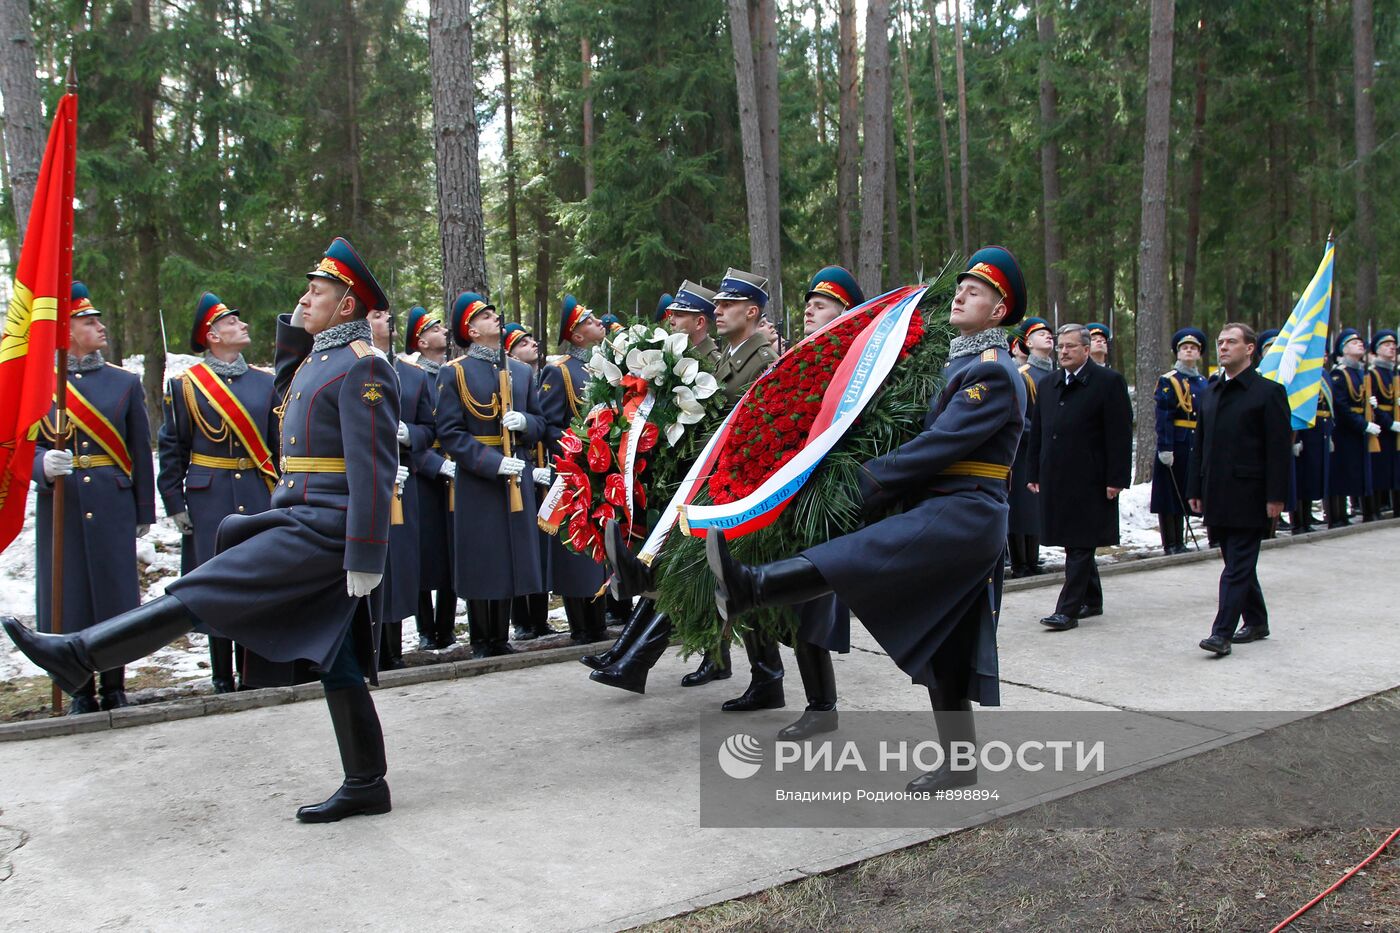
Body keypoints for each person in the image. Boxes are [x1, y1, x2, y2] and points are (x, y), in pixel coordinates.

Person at [7, 237, 400, 822]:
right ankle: (367, 782)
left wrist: (366, 552)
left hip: (325, 527)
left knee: (204, 588)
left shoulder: (364, 365)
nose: (304, 298)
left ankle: (80, 654)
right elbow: (283, 392)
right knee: (336, 658)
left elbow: (373, 464)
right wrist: (296, 330)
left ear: (346, 306)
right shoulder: (320, 359)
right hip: (298, 516)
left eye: (316, 293)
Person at [705, 246, 1028, 793]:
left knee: (859, 556)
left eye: (976, 291)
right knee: (946, 639)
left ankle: (752, 587)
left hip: (966, 510)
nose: (961, 294)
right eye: (963, 286)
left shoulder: (993, 374)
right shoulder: (957, 363)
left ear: (999, 313)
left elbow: (938, 445)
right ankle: (960, 761)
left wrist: (865, 484)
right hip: (942, 505)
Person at [585, 280, 726, 690]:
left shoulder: (710, 363)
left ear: (699, 322)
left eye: (680, 315)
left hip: (704, 480)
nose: (672, 319)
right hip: (680, 477)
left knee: (684, 571)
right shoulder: (673, 359)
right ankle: (627, 655)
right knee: (672, 568)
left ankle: (635, 660)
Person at [30, 282, 156, 713]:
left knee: (113, 595)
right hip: (60, 503)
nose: (100, 327)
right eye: (89, 321)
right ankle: (79, 690)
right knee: (69, 598)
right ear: (65, 329)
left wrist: (144, 509)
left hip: (111, 502)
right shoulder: (36, 384)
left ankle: (115, 683)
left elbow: (139, 448)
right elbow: (15, 443)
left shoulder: (123, 382)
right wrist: (41, 465)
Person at [158, 291, 291, 692]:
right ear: (212, 335)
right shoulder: (184, 386)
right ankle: (220, 673)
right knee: (216, 583)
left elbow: (277, 446)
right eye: (232, 322)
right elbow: (173, 449)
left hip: (256, 491)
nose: (243, 325)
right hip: (209, 496)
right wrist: (176, 503)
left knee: (257, 581)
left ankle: (256, 668)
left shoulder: (265, 383)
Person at [435, 292, 547, 658]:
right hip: (479, 475)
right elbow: (450, 432)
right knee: (483, 557)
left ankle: (501, 636)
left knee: (509, 555)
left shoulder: (518, 371)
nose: (494, 318)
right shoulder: (455, 372)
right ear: (470, 329)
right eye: (484, 316)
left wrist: (526, 423)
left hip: (516, 470)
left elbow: (542, 421)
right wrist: (490, 462)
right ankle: (481, 638)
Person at [706, 268, 784, 710]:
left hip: (749, 486)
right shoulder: (728, 356)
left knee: (748, 580)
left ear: (751, 312)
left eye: (726, 305)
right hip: (724, 481)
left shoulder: (764, 358)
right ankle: (762, 675)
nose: (717, 311)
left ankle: (768, 678)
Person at [1189, 323, 1291, 656]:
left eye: (1231, 341)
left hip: (1251, 493)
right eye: (1220, 342)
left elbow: (1278, 450)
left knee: (1236, 567)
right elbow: (1200, 444)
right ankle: (1257, 621)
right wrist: (1196, 487)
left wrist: (1276, 496)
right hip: (1217, 492)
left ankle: (1222, 633)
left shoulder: (1268, 392)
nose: (1223, 347)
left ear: (1250, 349)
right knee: (1236, 561)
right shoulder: (1212, 390)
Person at [1027, 323, 1133, 631]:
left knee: (1081, 542)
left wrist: (1117, 478)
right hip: (1056, 476)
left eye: (1070, 347)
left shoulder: (1108, 382)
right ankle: (1093, 599)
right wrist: (1033, 471)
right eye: (1060, 346)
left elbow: (1119, 435)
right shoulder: (1048, 384)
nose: (1063, 352)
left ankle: (1067, 610)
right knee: (1073, 541)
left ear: (1086, 349)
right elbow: (1039, 433)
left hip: (1092, 477)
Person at [538, 297, 609, 644]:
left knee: (599, 545)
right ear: (577, 336)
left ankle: (600, 618)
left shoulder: (606, 366)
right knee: (574, 546)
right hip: (573, 470)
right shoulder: (561, 370)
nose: (599, 323)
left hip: (603, 468)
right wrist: (575, 451)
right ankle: (581, 624)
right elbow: (549, 425)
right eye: (591, 321)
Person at [367, 305, 428, 670]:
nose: (386, 319)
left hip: (403, 483)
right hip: (362, 481)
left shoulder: (413, 374)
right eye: (376, 314)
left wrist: (411, 435)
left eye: (388, 314)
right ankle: (369, 648)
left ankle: (393, 648)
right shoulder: (347, 365)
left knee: (398, 565)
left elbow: (431, 427)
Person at [403, 305, 459, 650]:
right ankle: (427, 628)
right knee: (426, 552)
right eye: (435, 329)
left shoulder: (454, 373)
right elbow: (414, 431)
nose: (443, 332)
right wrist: (432, 463)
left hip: (457, 468)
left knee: (452, 550)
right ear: (422, 341)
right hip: (424, 472)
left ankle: (448, 626)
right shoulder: (412, 378)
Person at [504, 321, 557, 641]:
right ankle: (520, 619)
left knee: (540, 548)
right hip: (520, 468)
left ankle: (539, 616)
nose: (532, 344)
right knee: (518, 548)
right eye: (522, 342)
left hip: (543, 472)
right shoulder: (508, 378)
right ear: (510, 352)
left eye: (531, 339)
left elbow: (544, 423)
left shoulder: (539, 377)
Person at [1150, 328, 1207, 555]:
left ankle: (1180, 541)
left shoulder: (1203, 382)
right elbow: (1164, 416)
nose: (1189, 351)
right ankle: (1170, 542)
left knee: (1185, 491)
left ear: (1199, 354)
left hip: (1195, 442)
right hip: (1176, 442)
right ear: (1177, 353)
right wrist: (1166, 447)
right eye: (1185, 348)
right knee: (1169, 494)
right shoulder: (1169, 380)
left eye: (1193, 348)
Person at [1007, 316, 1054, 577]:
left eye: (1050, 334)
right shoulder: (1023, 376)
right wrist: (1041, 436)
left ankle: (1033, 559)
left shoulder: (1055, 374)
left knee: (1036, 507)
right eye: (1040, 333)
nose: (1048, 337)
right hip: (1025, 452)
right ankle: (1020, 562)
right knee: (1022, 507)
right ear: (1027, 342)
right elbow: (1018, 416)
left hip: (1050, 451)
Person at [1327, 329, 1379, 527]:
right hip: (1345, 432)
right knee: (1341, 473)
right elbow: (1341, 407)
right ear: (1343, 349)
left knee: (1359, 471)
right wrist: (1364, 425)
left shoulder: (1359, 372)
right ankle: (1337, 516)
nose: (1360, 344)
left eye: (1360, 342)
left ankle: (1361, 513)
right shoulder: (1340, 374)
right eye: (1353, 342)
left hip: (1358, 431)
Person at [1367, 330, 1400, 519]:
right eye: (1387, 345)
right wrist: (1389, 423)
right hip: (1381, 428)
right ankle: (1375, 510)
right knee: (1380, 471)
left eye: (1393, 345)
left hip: (1395, 428)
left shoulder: (1394, 372)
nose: (1392, 348)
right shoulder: (1373, 374)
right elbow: (1372, 405)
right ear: (1377, 350)